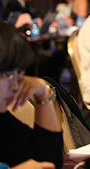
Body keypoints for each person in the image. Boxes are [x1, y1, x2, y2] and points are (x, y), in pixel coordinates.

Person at [0, 21, 63, 168]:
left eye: (18, 73)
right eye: (8, 74)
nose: (15, 85)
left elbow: (49, 161)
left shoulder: (2, 121)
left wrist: (43, 94)